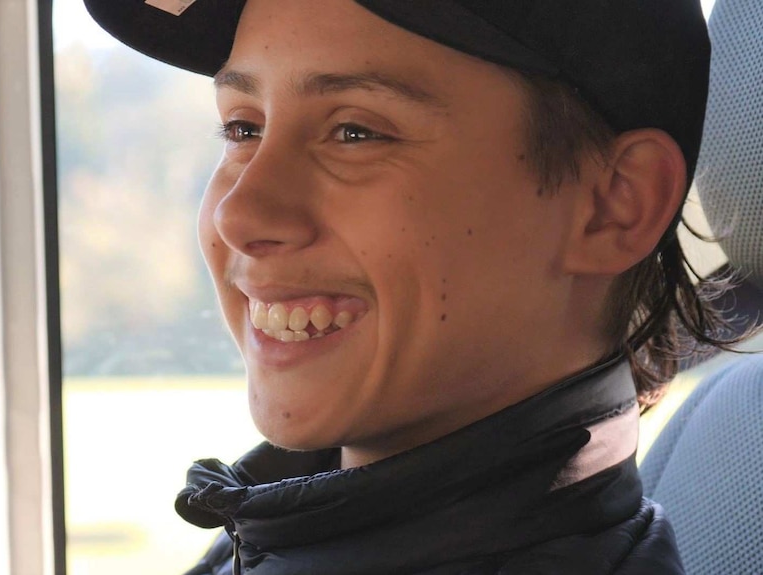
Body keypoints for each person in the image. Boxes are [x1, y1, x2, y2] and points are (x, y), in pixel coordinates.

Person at [84, 1, 750, 573]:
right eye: (242, 128)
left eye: (355, 132)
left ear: (615, 205)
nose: (239, 214)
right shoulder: (286, 527)